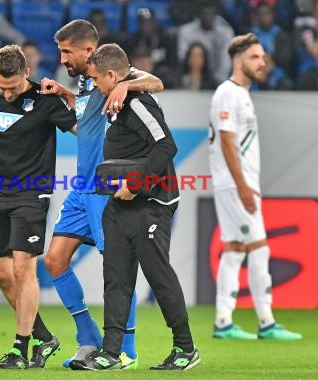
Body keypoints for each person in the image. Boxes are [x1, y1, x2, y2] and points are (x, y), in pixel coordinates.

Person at [40, 19, 164, 370]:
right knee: (54, 261)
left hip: (106, 190)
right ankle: (89, 339)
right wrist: (65, 96)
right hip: (82, 188)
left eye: (67, 51)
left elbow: (157, 82)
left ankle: (127, 350)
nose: (62, 58)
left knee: (119, 270)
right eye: (60, 50)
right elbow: (88, 124)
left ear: (88, 51)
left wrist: (127, 87)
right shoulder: (84, 83)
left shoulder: (115, 74)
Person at [0, 44, 77, 369]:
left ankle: (20, 350)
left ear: (27, 73)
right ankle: (44, 338)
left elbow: (82, 128)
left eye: (13, 87)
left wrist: (72, 96)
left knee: (24, 267)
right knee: (0, 272)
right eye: (1, 86)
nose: (6, 94)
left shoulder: (47, 99)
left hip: (32, 194)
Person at [76, 43, 200, 371]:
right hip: (119, 205)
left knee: (159, 276)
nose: (95, 85)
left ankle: (185, 349)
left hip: (152, 203)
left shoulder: (140, 102)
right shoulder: (115, 99)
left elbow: (166, 145)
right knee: (116, 278)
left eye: (97, 79)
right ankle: (111, 353)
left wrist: (137, 185)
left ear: (113, 76)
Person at [208, 33, 302, 340]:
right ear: (238, 60)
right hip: (236, 184)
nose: (262, 63)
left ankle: (223, 320)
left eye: (262, 57)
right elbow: (226, 140)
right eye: (255, 57)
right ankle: (266, 321)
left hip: (235, 183)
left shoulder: (242, 94)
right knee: (260, 249)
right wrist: (244, 186)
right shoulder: (228, 93)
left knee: (235, 249)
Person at [177, 1, 235, 82]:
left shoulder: (225, 32)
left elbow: (226, 61)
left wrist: (217, 82)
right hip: (191, 76)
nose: (208, 17)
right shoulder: (186, 31)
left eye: (211, 14)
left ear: (216, 15)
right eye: (205, 13)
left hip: (217, 79)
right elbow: (182, 58)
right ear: (198, 15)